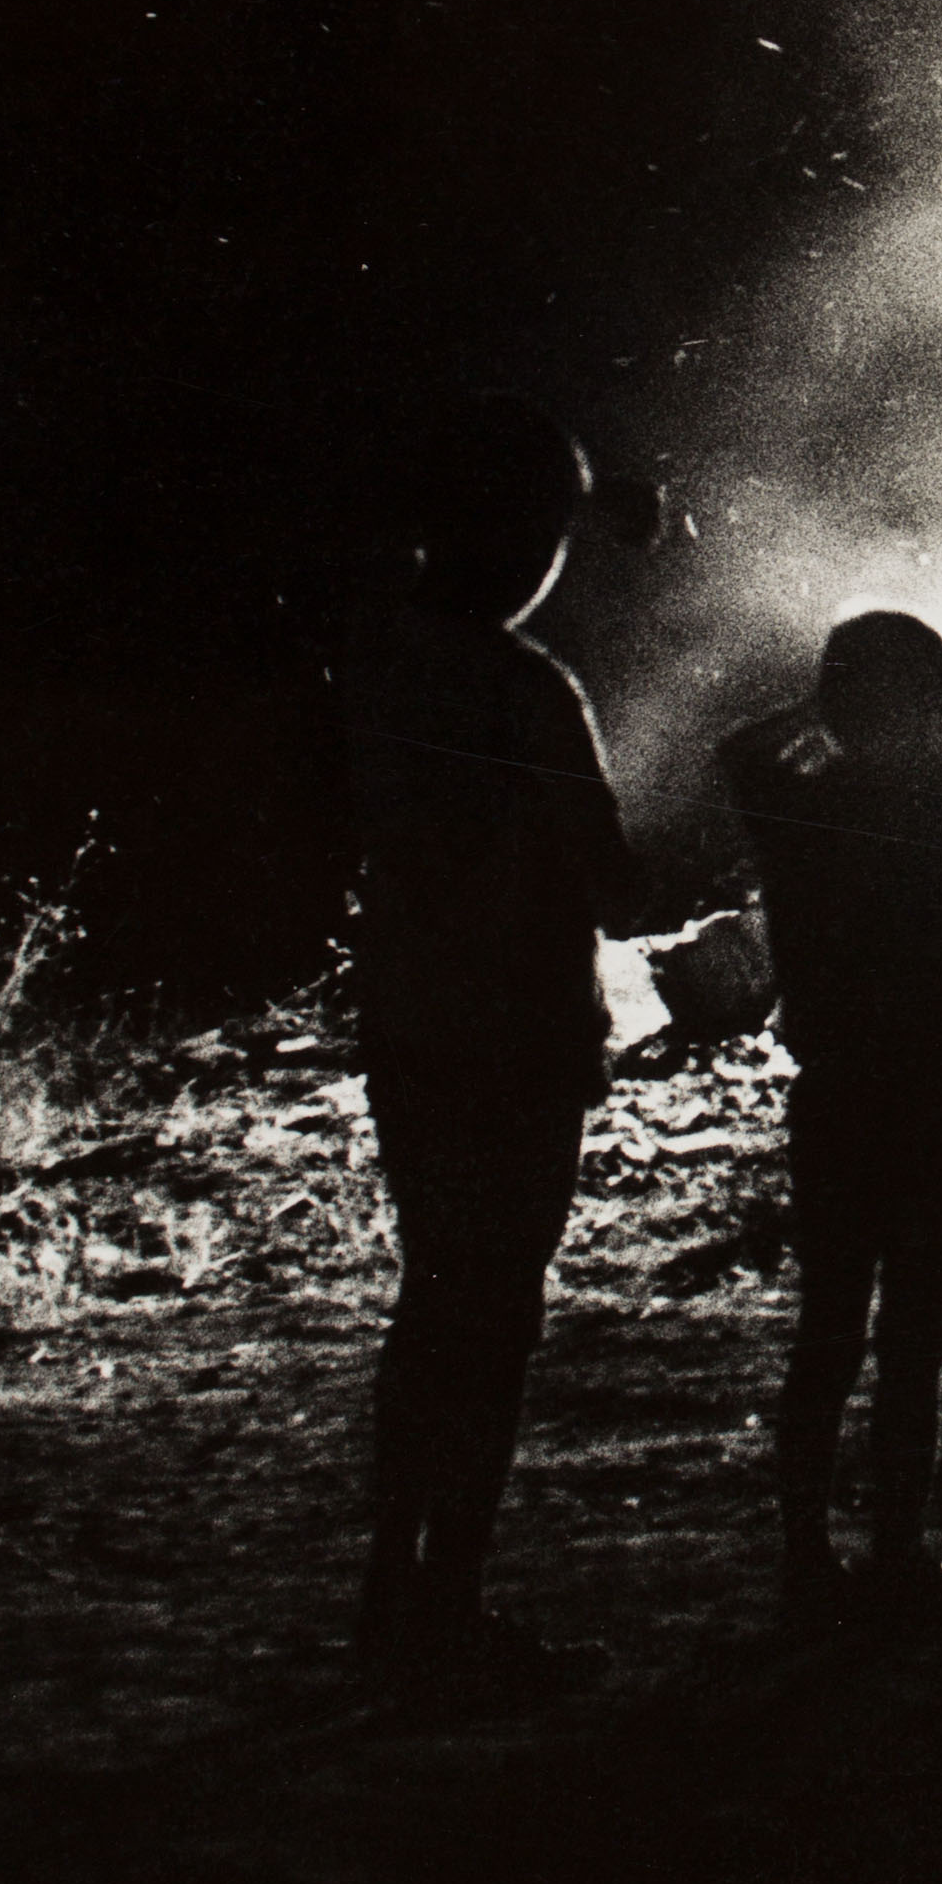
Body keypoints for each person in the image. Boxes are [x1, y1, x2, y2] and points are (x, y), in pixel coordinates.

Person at [336, 394, 650, 1691]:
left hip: (413, 1021)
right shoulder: (529, 688)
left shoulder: (379, 664)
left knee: (432, 1296)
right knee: (498, 1310)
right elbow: (615, 884)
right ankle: (451, 1601)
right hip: (519, 1037)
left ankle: (389, 1589)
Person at [716, 613, 942, 1634]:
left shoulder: (799, 806)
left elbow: (738, 747)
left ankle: (808, 1555)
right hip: (932, 1089)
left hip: (841, 1094)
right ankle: (897, 1549)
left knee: (832, 1328)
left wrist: (830, 713)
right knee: (914, 1337)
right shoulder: (928, 803)